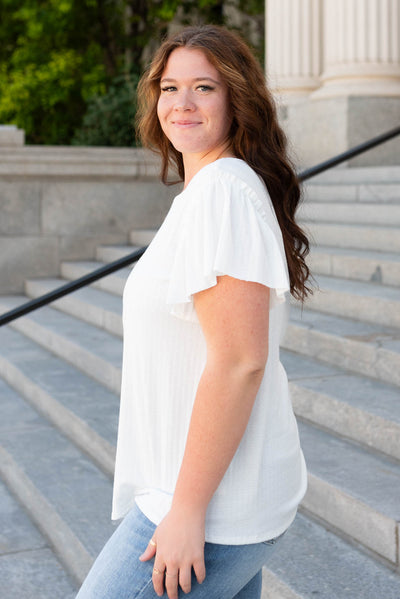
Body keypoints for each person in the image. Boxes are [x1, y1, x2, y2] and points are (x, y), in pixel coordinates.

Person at [76, 24, 311, 599]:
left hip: (207, 511)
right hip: (215, 498)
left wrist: (185, 513)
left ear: (237, 99)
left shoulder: (223, 193)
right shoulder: (208, 191)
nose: (181, 104)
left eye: (203, 88)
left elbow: (239, 363)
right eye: (168, 87)